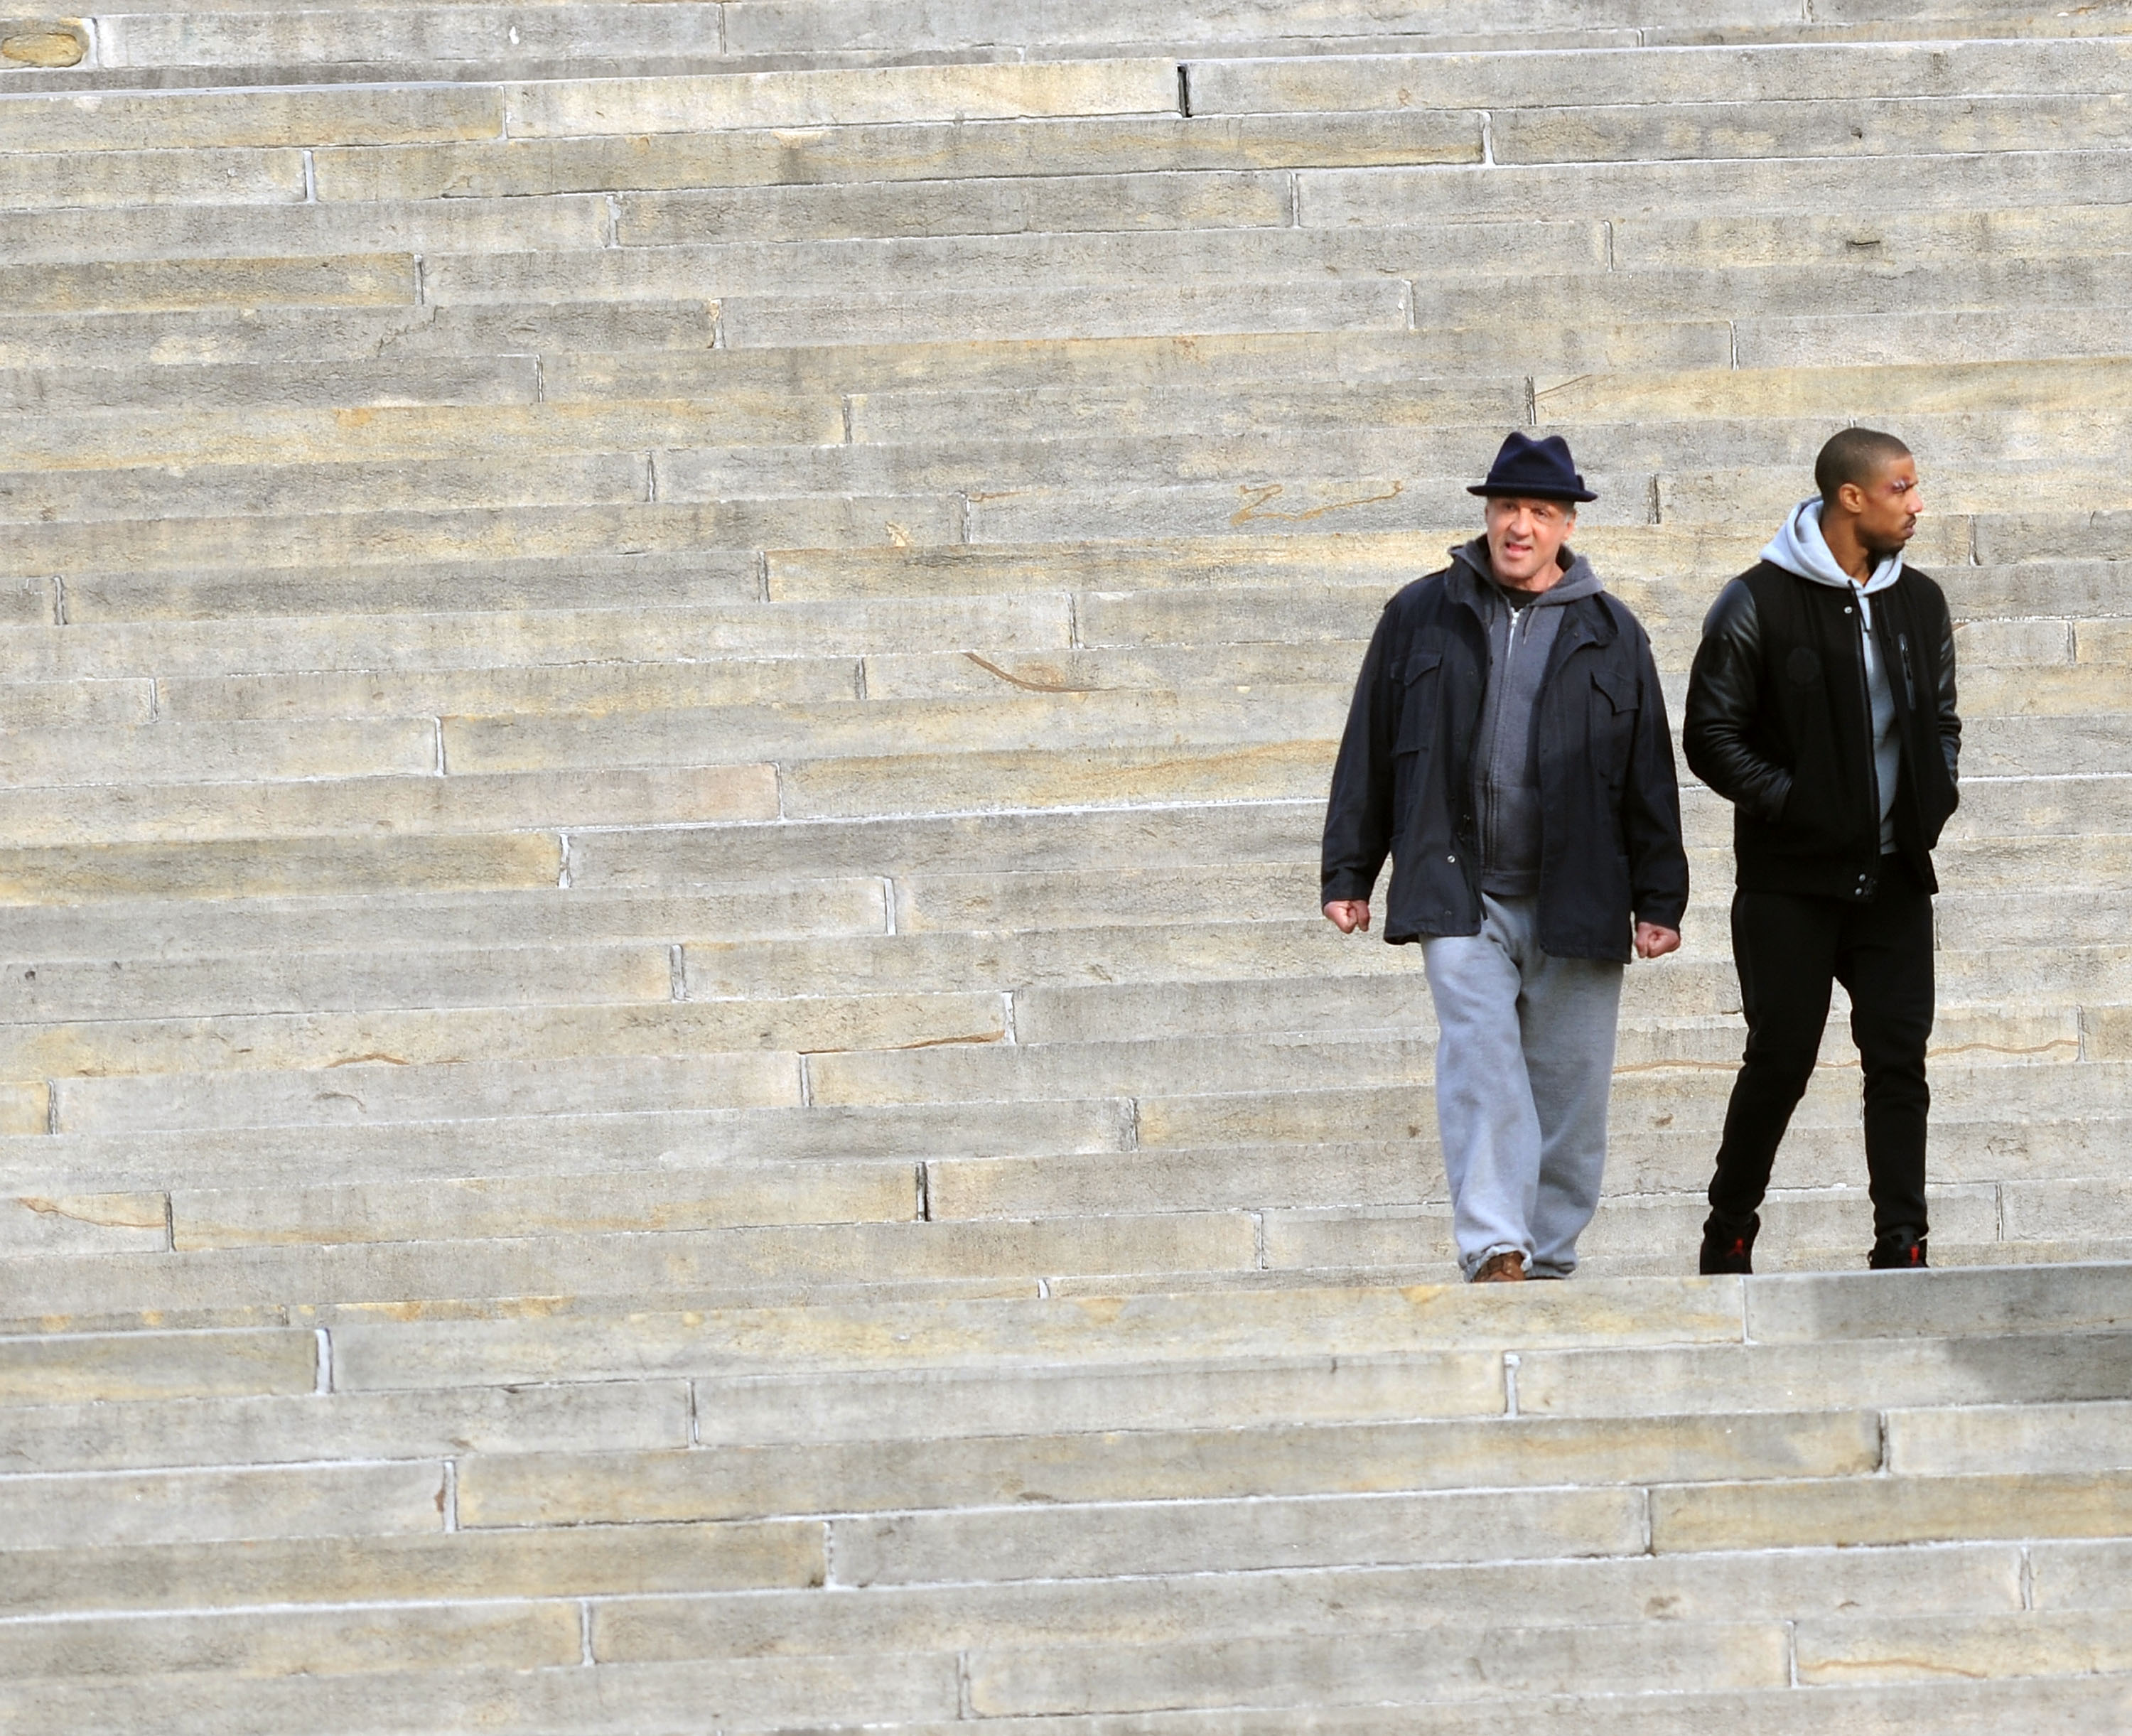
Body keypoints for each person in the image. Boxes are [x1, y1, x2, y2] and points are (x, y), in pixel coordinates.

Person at [1321, 431, 1688, 1283]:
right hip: (1459, 889)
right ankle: (1497, 1247)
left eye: (1539, 511)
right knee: (1480, 1064)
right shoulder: (1422, 611)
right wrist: (1349, 871)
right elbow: (1368, 747)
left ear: (1566, 524)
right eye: (1506, 508)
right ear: (1486, 514)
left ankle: (1550, 1256)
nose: (1518, 526)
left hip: (1580, 897)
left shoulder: (1612, 632)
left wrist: (1660, 898)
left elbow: (1649, 774)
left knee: (1568, 1095)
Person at [1684, 428, 1960, 1274]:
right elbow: (1709, 735)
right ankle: (1731, 1223)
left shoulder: (1921, 602)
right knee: (1780, 1060)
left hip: (1896, 880)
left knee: (1898, 1062)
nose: (1917, 505)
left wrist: (1930, 802)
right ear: (1851, 497)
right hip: (1790, 885)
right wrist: (1798, 805)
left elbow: (1942, 721)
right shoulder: (1755, 601)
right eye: (1901, 488)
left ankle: (1901, 1243)